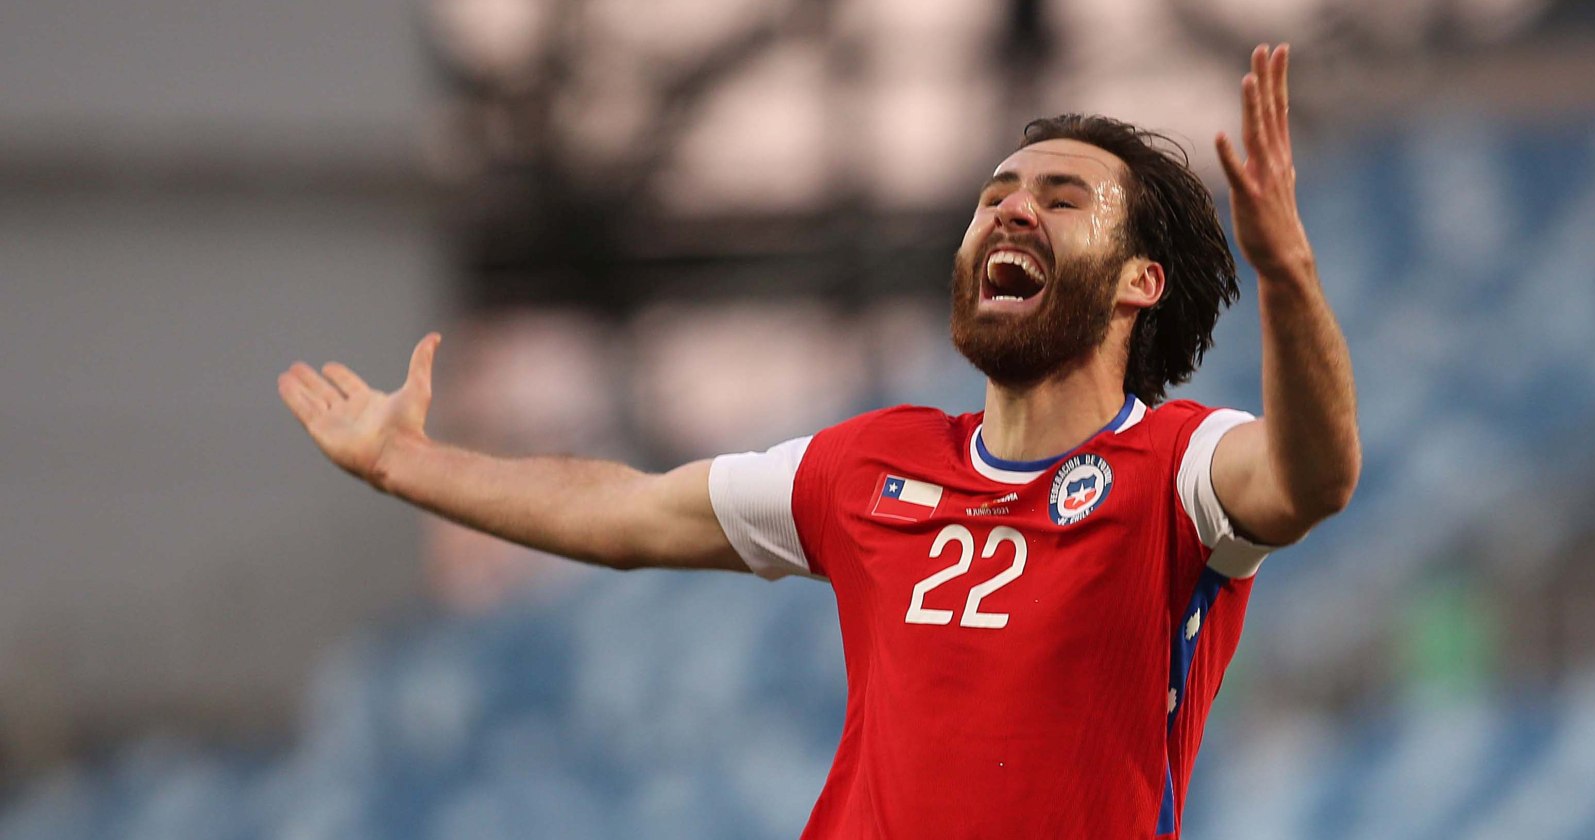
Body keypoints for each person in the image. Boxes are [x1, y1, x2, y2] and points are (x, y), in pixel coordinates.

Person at [278, 43, 1359, 839]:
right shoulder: (869, 465)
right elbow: (626, 512)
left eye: (1061, 199)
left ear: (1139, 283)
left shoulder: (1176, 468)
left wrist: (1287, 275)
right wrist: (405, 462)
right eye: (995, 196)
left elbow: (1311, 479)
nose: (1011, 211)